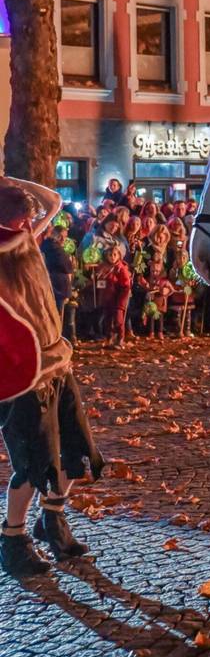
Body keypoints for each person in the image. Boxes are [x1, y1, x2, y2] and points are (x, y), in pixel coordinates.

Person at [0, 178, 103, 577]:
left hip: (57, 362)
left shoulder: (25, 235)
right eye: (22, 212)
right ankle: (12, 539)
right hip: (21, 375)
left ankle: (53, 520)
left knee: (75, 451)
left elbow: (53, 200)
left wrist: (8, 181)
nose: (30, 216)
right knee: (33, 463)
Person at [98, 246, 132, 348]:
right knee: (108, 319)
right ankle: (109, 338)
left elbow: (126, 286)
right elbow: (101, 282)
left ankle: (120, 338)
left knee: (118, 319)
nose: (112, 257)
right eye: (110, 255)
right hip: (108, 298)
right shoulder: (104, 268)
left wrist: (122, 301)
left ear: (118, 256)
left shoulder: (121, 268)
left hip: (119, 298)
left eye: (114, 255)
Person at [40, 226, 74, 317]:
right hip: (58, 286)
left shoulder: (46, 245)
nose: (63, 239)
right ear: (53, 234)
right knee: (57, 316)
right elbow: (67, 266)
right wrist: (70, 262)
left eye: (65, 236)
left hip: (52, 284)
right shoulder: (55, 248)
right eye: (60, 236)